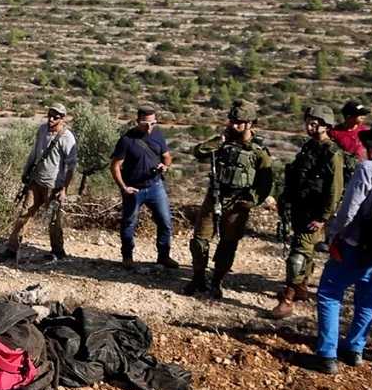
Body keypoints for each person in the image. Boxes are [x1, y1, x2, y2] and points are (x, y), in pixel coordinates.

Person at [314, 118, 372, 374]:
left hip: (355, 243)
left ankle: (327, 354)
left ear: (371, 145)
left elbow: (349, 211)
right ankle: (355, 349)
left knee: (329, 294)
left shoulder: (369, 168)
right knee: (366, 299)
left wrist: (333, 235)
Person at [183, 100, 274, 299]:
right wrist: (219, 141)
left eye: (239, 122)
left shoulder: (258, 151)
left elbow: (265, 182)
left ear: (250, 123)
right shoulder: (223, 142)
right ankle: (198, 278)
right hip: (214, 196)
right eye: (232, 120)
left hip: (238, 203)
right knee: (199, 241)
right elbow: (199, 152)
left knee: (228, 244)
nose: (234, 125)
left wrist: (251, 201)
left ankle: (217, 281)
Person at [270, 105, 345, 319]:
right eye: (308, 122)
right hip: (300, 207)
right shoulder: (309, 147)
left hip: (314, 212)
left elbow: (335, 188)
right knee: (306, 250)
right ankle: (302, 287)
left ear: (325, 126)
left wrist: (323, 217)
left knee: (298, 254)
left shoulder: (332, 154)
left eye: (315, 123)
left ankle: (288, 299)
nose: (309, 127)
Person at [3, 103, 78, 263]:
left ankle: (58, 251)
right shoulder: (42, 130)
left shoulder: (67, 138)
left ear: (62, 119)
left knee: (53, 220)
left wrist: (64, 189)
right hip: (35, 182)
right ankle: (12, 248)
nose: (51, 119)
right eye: (49, 115)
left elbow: (71, 167)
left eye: (55, 117)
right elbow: (34, 153)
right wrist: (26, 171)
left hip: (53, 186)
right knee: (24, 214)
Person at [110, 105, 178, 270]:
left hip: (155, 186)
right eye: (145, 124)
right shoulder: (127, 140)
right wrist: (124, 187)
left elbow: (167, 156)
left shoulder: (158, 135)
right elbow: (115, 166)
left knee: (165, 221)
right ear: (137, 121)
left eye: (153, 123)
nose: (149, 127)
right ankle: (127, 257)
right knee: (129, 223)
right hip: (134, 189)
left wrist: (165, 166)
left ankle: (163, 256)